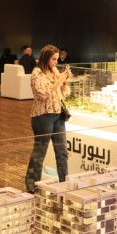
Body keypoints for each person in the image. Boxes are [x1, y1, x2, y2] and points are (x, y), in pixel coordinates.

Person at [25, 44, 72, 194]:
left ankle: (64, 183)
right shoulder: (37, 73)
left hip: (58, 115)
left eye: (57, 59)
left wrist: (64, 82)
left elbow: (64, 93)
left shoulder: (55, 71)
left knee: (62, 152)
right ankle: (31, 185)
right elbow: (43, 94)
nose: (56, 62)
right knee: (40, 152)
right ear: (45, 58)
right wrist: (58, 81)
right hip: (42, 117)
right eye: (53, 59)